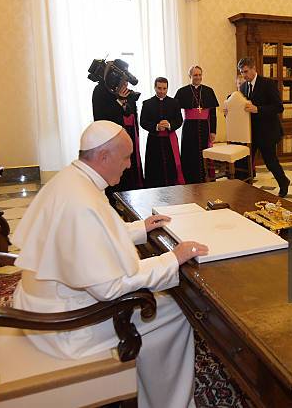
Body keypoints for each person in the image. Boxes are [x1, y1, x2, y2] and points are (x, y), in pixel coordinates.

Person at [12, 120, 208, 408]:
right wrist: (172, 259)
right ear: (104, 157)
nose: (129, 165)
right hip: (66, 326)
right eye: (126, 157)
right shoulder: (82, 201)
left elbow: (92, 239)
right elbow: (111, 287)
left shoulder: (72, 179)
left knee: (162, 305)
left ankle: (146, 388)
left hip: (45, 301)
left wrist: (141, 228)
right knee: (177, 309)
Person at [92, 59, 144, 203]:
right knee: (113, 174)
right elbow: (101, 117)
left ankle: (130, 202)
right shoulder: (100, 90)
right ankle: (113, 203)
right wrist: (120, 100)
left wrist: (125, 102)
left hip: (126, 139)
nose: (124, 81)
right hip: (109, 141)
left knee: (129, 173)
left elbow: (130, 113)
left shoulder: (124, 89)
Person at [237, 57, 290, 197]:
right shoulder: (243, 87)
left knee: (270, 162)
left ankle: (284, 183)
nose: (244, 75)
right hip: (250, 133)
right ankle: (245, 189)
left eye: (246, 71)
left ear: (254, 68)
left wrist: (258, 109)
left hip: (268, 131)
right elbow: (242, 108)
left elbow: (279, 107)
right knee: (246, 162)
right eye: (242, 72)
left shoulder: (268, 83)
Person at [175, 66, 219, 184]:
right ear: (190, 76)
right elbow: (175, 111)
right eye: (195, 75)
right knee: (189, 154)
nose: (198, 77)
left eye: (200, 75)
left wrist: (213, 131)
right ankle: (189, 180)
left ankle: (204, 179)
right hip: (189, 127)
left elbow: (213, 113)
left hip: (205, 127)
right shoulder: (182, 91)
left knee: (203, 153)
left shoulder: (208, 91)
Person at [141, 77, 185, 187]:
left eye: (164, 88)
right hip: (154, 141)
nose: (162, 91)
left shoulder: (174, 102)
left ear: (167, 88)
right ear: (155, 87)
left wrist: (169, 125)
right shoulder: (147, 103)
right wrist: (156, 126)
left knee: (171, 167)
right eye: (159, 88)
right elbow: (143, 122)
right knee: (155, 166)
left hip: (169, 141)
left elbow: (179, 120)